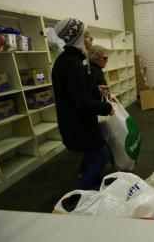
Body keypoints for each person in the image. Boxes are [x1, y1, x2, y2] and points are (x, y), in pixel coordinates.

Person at [51, 18, 114, 190]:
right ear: (76, 39)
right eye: (86, 36)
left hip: (74, 122)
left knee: (94, 155)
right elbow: (82, 102)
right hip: (79, 124)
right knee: (102, 156)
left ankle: (89, 180)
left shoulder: (67, 60)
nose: (91, 40)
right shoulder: (73, 64)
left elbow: (79, 94)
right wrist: (107, 107)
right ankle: (80, 195)